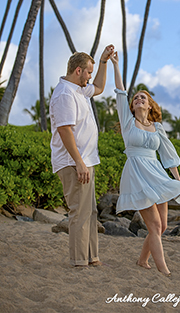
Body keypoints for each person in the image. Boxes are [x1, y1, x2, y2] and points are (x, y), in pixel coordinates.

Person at [110, 51, 180, 276]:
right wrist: (116, 64)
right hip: (137, 174)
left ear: (149, 105)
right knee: (154, 226)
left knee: (162, 227)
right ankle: (164, 270)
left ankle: (142, 260)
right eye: (135, 98)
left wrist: (176, 181)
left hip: (156, 175)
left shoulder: (157, 128)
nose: (138, 99)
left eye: (142, 98)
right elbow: (120, 91)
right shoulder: (128, 123)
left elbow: (168, 155)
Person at [50, 45, 114, 267]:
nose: (89, 76)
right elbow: (64, 130)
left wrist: (103, 62)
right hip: (73, 162)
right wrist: (78, 162)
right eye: (88, 71)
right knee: (79, 212)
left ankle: (91, 257)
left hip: (86, 161)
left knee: (90, 211)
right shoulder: (65, 93)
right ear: (78, 70)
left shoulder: (79, 89)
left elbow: (98, 87)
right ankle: (79, 260)